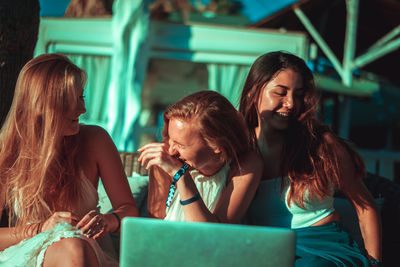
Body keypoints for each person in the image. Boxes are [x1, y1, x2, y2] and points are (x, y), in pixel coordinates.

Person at [239, 51, 382, 266]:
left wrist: (375, 263)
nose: (290, 103)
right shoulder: (237, 149)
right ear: (252, 93)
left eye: (297, 94)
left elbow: (366, 207)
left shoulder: (320, 146)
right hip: (268, 249)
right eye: (280, 92)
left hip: (325, 250)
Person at [0, 53, 138, 266]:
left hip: (89, 250)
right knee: (71, 247)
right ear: (42, 104)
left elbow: (129, 210)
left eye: (81, 97)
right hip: (31, 251)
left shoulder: (96, 140)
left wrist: (108, 221)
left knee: (74, 245)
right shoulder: (7, 150)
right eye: (70, 101)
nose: (83, 110)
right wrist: (41, 228)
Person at [138, 91, 262, 223]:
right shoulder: (166, 160)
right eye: (171, 139)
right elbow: (154, 227)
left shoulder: (245, 166)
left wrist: (180, 176)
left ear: (217, 145)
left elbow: (212, 236)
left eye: (181, 145)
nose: (171, 150)